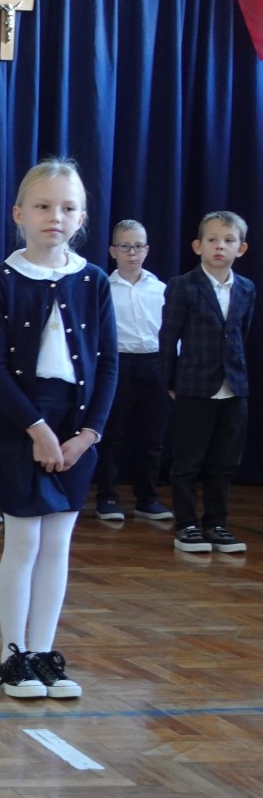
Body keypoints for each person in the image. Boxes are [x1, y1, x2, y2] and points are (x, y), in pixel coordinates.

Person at [0, 160, 115, 699]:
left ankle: (42, 653)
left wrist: (88, 434)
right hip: (21, 421)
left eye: (67, 208)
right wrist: (36, 430)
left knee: (58, 541)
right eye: (43, 206)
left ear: (81, 217)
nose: (55, 216)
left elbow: (108, 364)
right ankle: (12, 654)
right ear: (19, 214)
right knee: (25, 539)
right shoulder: (1, 280)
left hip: (75, 424)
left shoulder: (93, 280)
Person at [160, 211, 253, 554]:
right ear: (198, 246)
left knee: (225, 462)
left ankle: (217, 523)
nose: (220, 246)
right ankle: (187, 525)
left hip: (234, 387)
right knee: (187, 461)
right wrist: (169, 381)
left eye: (228, 241)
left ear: (241, 248)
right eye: (212, 240)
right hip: (193, 385)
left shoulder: (246, 288)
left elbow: (240, 333)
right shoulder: (183, 285)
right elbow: (168, 337)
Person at [95, 220, 172, 522]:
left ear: (147, 250)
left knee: (152, 437)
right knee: (112, 435)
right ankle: (107, 497)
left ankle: (147, 498)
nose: (132, 253)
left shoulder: (161, 289)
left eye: (138, 246)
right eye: (125, 246)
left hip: (155, 364)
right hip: (118, 363)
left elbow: (173, 333)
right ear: (113, 251)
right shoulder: (103, 287)